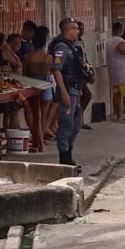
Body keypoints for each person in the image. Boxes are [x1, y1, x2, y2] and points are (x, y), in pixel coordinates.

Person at [48, 18, 88, 166]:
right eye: (75, 28)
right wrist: (63, 93)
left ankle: (69, 154)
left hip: (77, 90)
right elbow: (57, 70)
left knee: (76, 125)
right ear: (68, 30)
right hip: (68, 90)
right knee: (67, 124)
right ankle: (64, 158)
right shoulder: (61, 47)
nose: (78, 31)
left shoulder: (74, 47)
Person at [21, 23, 54, 147]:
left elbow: (25, 73)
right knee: (42, 116)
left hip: (32, 88)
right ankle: (41, 139)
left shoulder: (28, 57)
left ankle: (36, 138)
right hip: (45, 87)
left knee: (33, 114)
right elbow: (52, 70)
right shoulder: (48, 58)